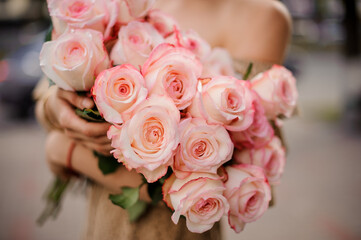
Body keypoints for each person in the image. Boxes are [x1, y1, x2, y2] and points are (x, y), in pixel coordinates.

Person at [34, 0, 292, 239]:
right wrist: (55, 106)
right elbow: (44, 97)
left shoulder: (262, 17)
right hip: (102, 225)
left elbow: (236, 175)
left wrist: (65, 151)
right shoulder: (121, 5)